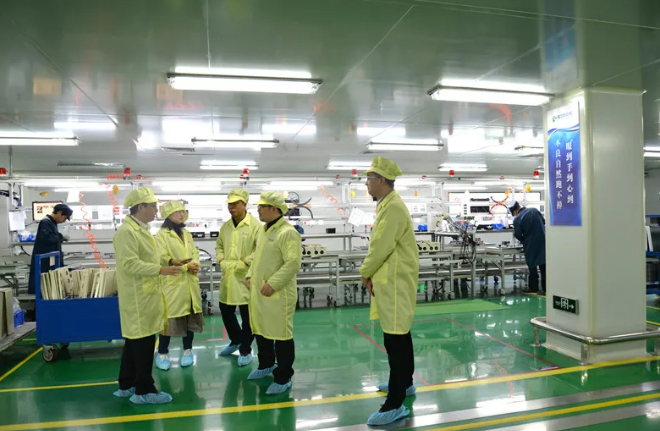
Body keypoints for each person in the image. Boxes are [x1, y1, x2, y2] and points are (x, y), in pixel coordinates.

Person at [360, 157, 419, 426]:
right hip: (391, 281)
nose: (367, 183)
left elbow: (380, 246)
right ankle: (405, 383)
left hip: (394, 282)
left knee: (395, 341)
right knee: (399, 335)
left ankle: (395, 404)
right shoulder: (387, 205)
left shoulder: (393, 207)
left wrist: (365, 272)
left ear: (382, 180)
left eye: (369, 179)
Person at [112, 187, 182, 405]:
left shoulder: (141, 229)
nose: (156, 211)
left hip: (145, 294)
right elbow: (130, 264)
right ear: (140, 207)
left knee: (134, 341)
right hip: (137, 297)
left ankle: (126, 384)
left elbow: (148, 259)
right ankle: (144, 390)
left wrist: (169, 262)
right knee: (142, 342)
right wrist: (160, 270)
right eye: (153, 206)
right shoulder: (127, 232)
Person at [246, 192, 302, 395]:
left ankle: (283, 376)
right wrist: (249, 275)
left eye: (262, 206)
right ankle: (266, 364)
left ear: (274, 209)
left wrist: (273, 283)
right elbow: (258, 257)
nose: (258, 210)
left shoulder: (288, 233)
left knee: (281, 335)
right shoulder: (264, 230)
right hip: (260, 291)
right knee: (261, 330)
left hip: (278, 294)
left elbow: (293, 263)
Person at [155, 200, 203, 371]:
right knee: (169, 321)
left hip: (189, 282)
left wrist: (196, 264)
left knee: (189, 319)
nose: (181, 214)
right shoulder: (162, 235)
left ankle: (188, 351)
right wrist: (177, 263)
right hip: (173, 284)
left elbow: (194, 252)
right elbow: (161, 256)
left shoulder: (186, 233)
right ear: (168, 215)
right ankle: (162, 353)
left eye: (183, 211)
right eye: (177, 212)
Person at [216, 189, 261, 366]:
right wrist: (221, 260)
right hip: (228, 275)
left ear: (244, 204)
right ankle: (236, 340)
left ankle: (245, 349)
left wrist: (244, 262)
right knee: (225, 309)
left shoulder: (255, 226)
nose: (231, 207)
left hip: (246, 276)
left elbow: (259, 250)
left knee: (247, 315)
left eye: (235, 204)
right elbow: (219, 246)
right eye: (230, 204)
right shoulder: (226, 227)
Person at [28, 203, 72, 295]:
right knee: (44, 287)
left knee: (49, 287)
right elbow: (47, 238)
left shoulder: (51, 223)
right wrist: (61, 236)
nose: (64, 221)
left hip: (50, 260)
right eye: (64, 218)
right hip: (45, 261)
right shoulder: (46, 222)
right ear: (59, 213)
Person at [509, 201, 546, 294]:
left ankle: (533, 288)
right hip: (543, 241)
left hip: (530, 244)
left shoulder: (517, 219)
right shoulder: (535, 210)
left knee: (532, 266)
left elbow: (517, 234)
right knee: (544, 266)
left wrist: (524, 240)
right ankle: (546, 288)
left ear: (515, 211)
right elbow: (544, 222)